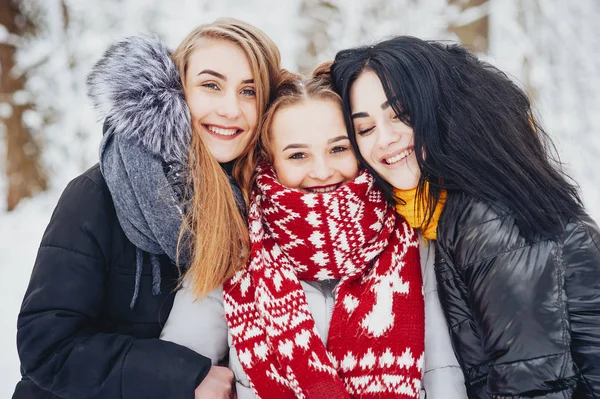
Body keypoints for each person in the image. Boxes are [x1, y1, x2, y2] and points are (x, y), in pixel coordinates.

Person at [13, 18, 280, 399]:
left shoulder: (267, 203)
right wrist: (183, 377)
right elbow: (47, 346)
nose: (230, 109)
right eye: (210, 85)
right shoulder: (99, 193)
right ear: (177, 91)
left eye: (249, 91)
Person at [162, 65, 463, 399]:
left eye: (338, 149)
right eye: (298, 155)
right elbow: (179, 371)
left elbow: (442, 372)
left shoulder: (410, 241)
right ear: (270, 161)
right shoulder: (233, 246)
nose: (322, 171)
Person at [330, 36, 600, 398]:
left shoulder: (487, 216)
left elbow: (534, 383)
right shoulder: (445, 213)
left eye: (401, 115)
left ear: (439, 111)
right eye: (365, 128)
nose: (385, 139)